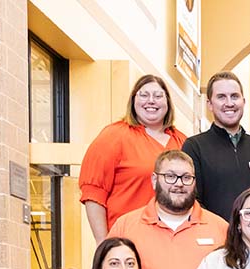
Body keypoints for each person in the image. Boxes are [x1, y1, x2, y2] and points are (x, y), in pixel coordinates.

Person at [108, 151, 228, 269]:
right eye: (170, 176)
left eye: (187, 177)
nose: (179, 184)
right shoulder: (125, 226)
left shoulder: (220, 229)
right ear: (155, 180)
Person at [80, 75, 187, 242]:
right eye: (144, 95)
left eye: (158, 96)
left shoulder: (182, 142)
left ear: (167, 102)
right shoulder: (113, 136)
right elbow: (94, 194)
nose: (151, 101)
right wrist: (103, 244)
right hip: (126, 241)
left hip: (172, 241)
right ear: (133, 100)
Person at [181, 71, 250, 221]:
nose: (229, 103)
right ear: (209, 104)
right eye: (221, 97)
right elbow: (191, 200)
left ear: (243, 101)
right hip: (212, 239)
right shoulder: (194, 147)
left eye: (234, 96)